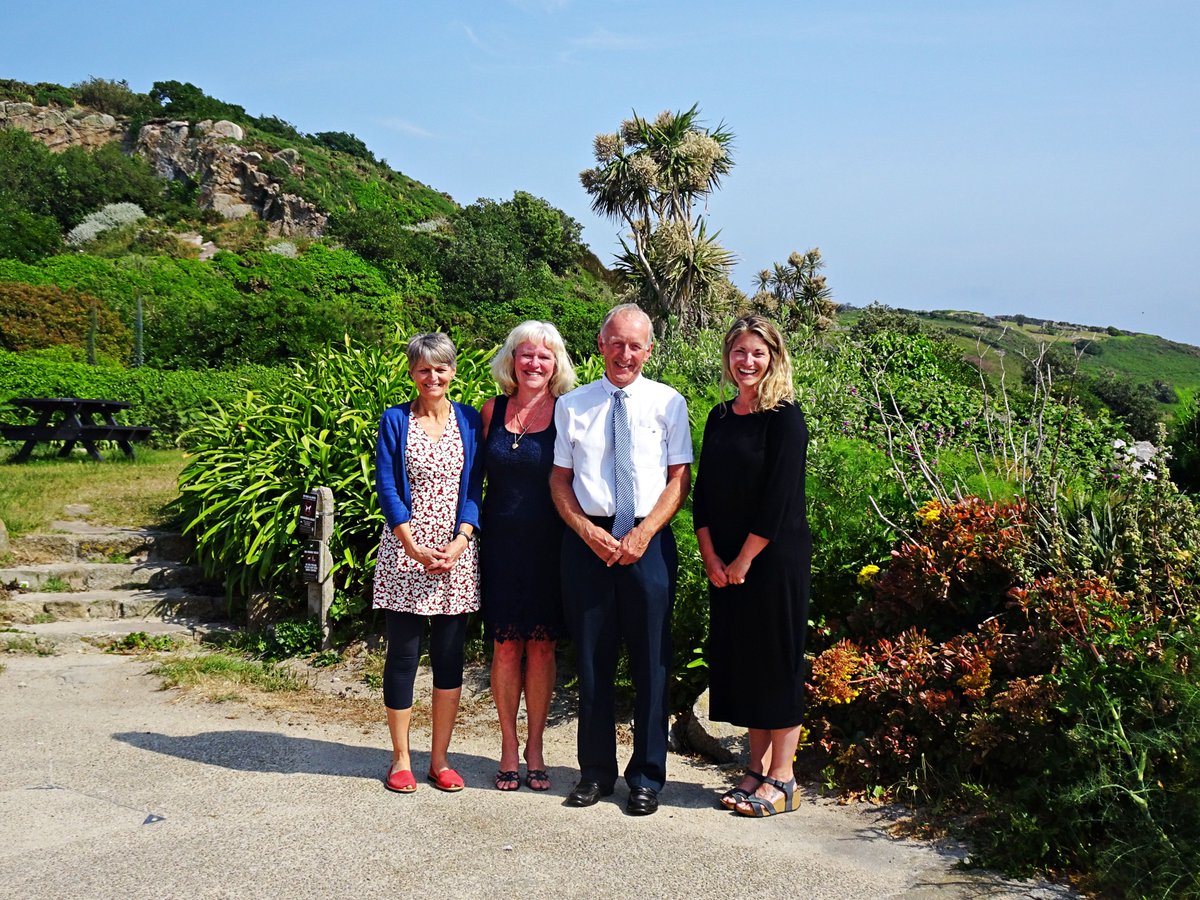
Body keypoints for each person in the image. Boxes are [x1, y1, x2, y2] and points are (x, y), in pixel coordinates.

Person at [550, 303, 693, 816]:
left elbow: (679, 478)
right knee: (591, 662)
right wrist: (586, 530)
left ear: (648, 350)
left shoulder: (668, 402)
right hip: (587, 544)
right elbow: (560, 481)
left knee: (652, 662)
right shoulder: (572, 405)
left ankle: (647, 776)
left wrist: (645, 532)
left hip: (648, 543)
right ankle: (595, 773)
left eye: (635, 345)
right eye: (616, 342)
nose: (625, 353)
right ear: (600, 344)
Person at [692, 315, 811, 818]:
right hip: (726, 563)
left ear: (774, 358)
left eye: (757, 353)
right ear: (728, 356)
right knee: (743, 663)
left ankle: (783, 779)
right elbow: (703, 494)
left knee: (776, 662)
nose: (747, 361)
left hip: (772, 560)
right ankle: (755, 768)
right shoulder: (719, 417)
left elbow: (777, 500)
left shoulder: (785, 417)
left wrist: (742, 559)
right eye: (740, 351)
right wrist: (712, 556)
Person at [373, 333, 484, 795]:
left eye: (440, 369)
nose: (432, 377)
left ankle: (439, 759)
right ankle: (401, 758)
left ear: (453, 371)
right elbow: (387, 487)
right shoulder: (395, 420)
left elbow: (475, 489)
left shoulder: (471, 422)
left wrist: (461, 540)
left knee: (448, 658)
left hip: (455, 555)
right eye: (423, 369)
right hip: (406, 551)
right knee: (402, 656)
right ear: (412, 372)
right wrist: (412, 544)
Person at [480, 320, 576, 792]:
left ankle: (536, 748)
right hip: (498, 548)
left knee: (541, 647)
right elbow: (470, 484)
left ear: (556, 363)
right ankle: (506, 747)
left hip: (550, 548)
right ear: (511, 360)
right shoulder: (491, 410)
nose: (534, 363)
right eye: (526, 354)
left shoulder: (568, 413)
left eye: (544, 355)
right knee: (504, 645)